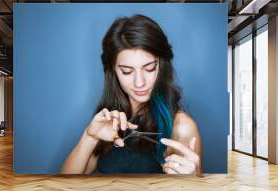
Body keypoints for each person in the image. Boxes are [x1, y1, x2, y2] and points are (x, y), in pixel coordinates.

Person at [61, 14, 202, 175]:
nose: (139, 82)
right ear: (113, 71)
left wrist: (193, 180)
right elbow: (66, 184)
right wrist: (89, 137)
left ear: (162, 66)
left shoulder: (182, 126)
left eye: (149, 69)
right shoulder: (109, 120)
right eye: (127, 71)